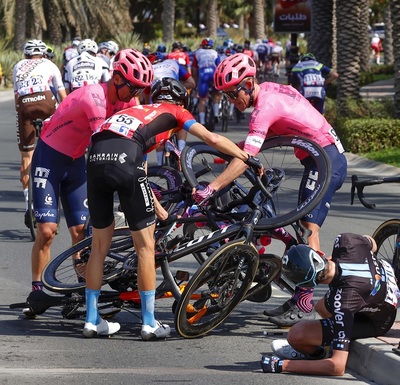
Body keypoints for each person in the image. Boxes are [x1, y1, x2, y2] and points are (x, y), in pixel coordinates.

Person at [83, 77, 262, 339]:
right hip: (126, 159)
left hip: (97, 157)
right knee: (145, 247)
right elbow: (210, 138)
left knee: (99, 247)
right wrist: (246, 157)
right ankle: (149, 323)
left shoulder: (131, 112)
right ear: (181, 101)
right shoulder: (176, 112)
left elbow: (140, 168)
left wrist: (158, 209)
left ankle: (91, 320)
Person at [199, 52, 347, 327]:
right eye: (227, 96)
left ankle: (307, 303)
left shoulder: (263, 107)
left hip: (326, 159)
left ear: (249, 83)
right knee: (303, 228)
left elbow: (246, 159)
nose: (232, 102)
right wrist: (219, 155)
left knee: (307, 229)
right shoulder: (268, 91)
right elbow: (258, 141)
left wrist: (213, 187)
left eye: (233, 94)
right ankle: (302, 293)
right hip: (319, 155)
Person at [25, 49, 148, 318]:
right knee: (47, 231)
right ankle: (37, 289)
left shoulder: (128, 101)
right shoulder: (95, 97)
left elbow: (139, 133)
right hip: (49, 157)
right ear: (117, 79)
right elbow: (104, 144)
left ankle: (81, 288)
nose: (136, 94)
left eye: (141, 88)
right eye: (133, 87)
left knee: (81, 232)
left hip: (75, 162)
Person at [261, 233, 398, 376]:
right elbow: (373, 244)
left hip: (377, 321)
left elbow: (337, 367)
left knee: (297, 334)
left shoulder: (342, 301)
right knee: (322, 306)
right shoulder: (345, 241)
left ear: (308, 285)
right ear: (320, 253)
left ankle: (322, 351)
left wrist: (281, 365)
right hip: (385, 291)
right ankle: (333, 336)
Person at [12, 39, 67, 226]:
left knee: (26, 158)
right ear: (43, 54)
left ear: (26, 55)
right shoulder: (50, 64)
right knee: (54, 147)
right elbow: (62, 96)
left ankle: (29, 206)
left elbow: (17, 98)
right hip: (46, 102)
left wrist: (22, 119)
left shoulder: (18, 65)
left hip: (25, 105)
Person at [143, 52, 196, 165]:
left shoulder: (149, 69)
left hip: (157, 101)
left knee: (157, 129)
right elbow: (191, 83)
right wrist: (178, 86)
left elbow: (147, 98)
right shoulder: (173, 63)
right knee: (181, 119)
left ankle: (159, 163)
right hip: (175, 98)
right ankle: (182, 154)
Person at [192, 38, 221, 126]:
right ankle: (216, 114)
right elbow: (219, 67)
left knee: (202, 99)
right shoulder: (215, 53)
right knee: (216, 94)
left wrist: (196, 82)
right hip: (213, 74)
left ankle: (202, 121)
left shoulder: (197, 53)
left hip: (203, 74)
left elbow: (194, 70)